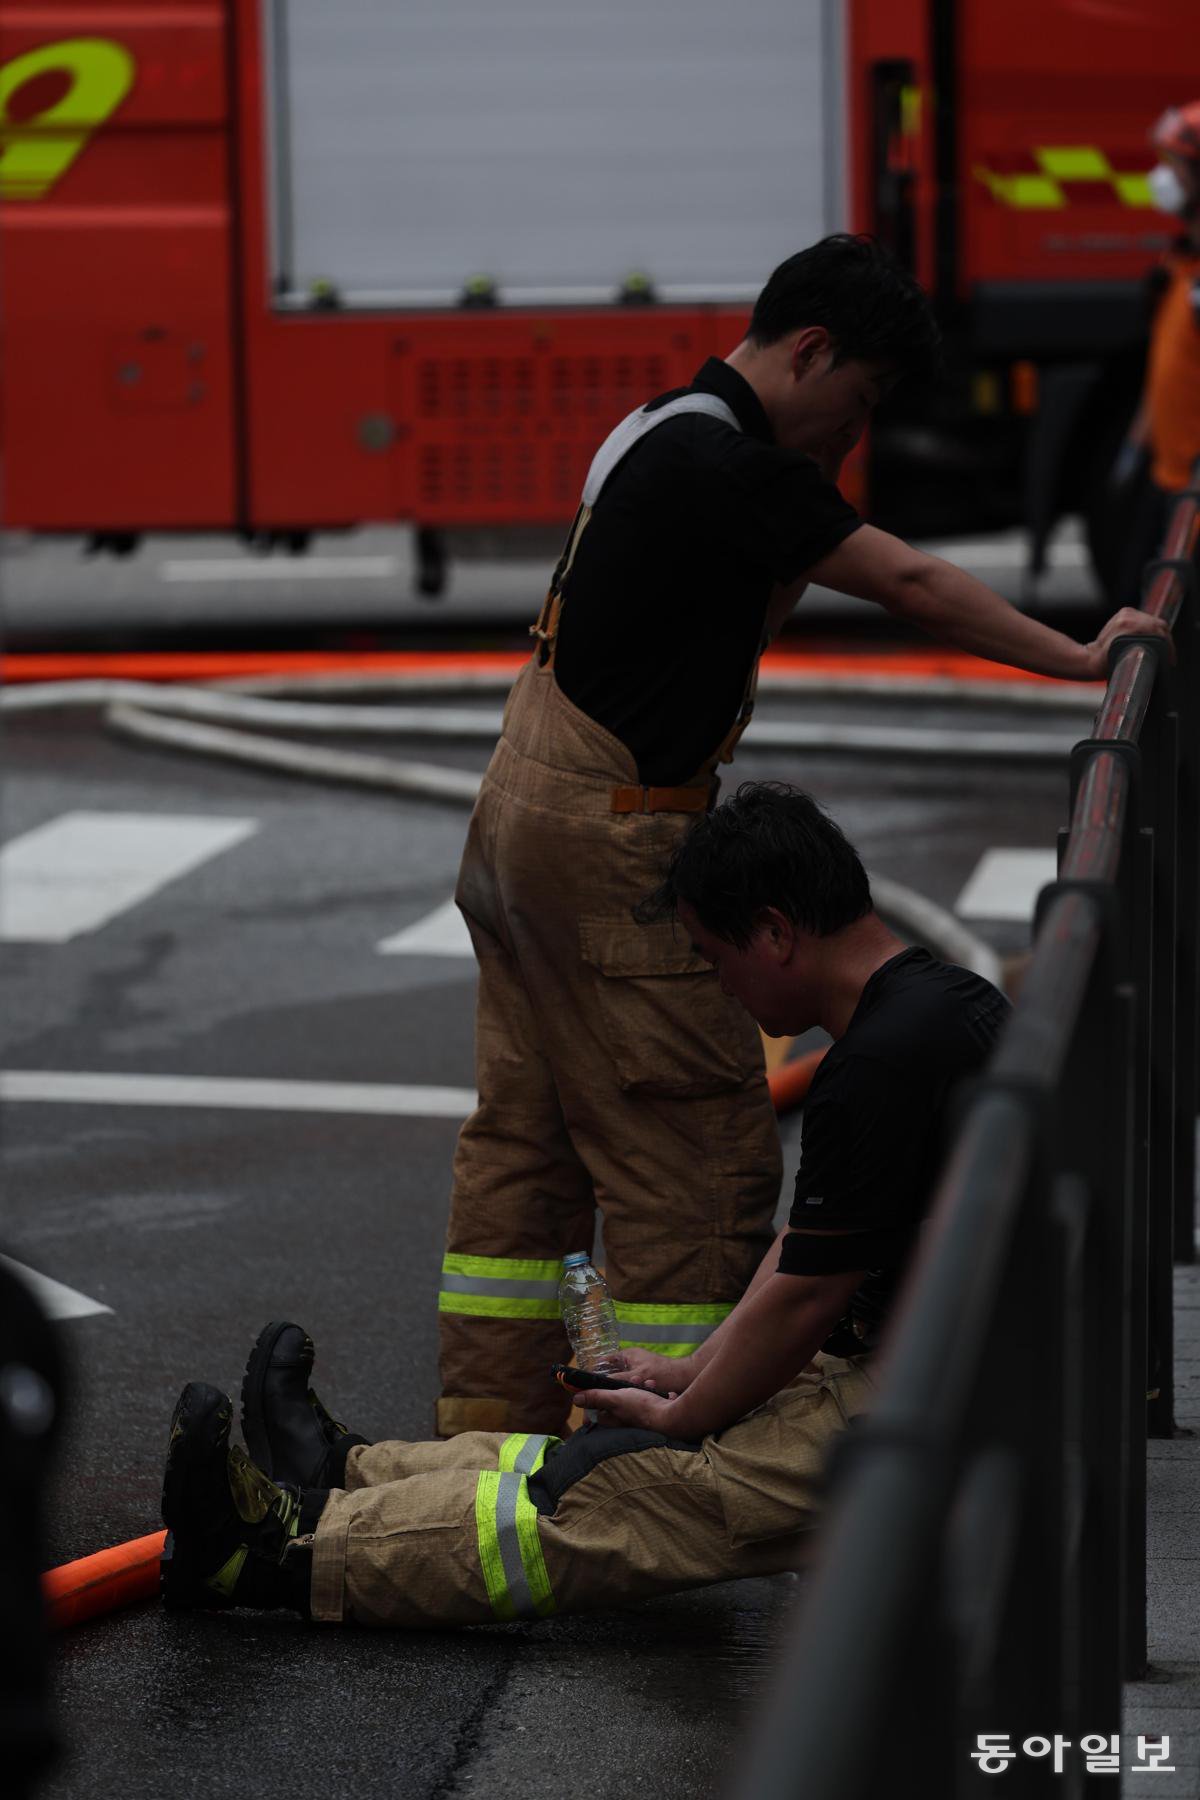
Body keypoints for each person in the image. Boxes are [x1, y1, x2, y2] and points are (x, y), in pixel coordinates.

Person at [436, 234, 1169, 1441]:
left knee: (529, 1152)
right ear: (812, 350)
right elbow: (914, 585)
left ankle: (488, 1439)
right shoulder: (735, 467)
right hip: (616, 846)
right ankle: (656, 1464)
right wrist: (1084, 657)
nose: (854, 436)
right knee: (698, 1162)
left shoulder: (650, 426)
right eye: (860, 400)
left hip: (516, 830)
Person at [160, 784, 1011, 1627]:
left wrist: (687, 1413)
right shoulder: (949, 1005)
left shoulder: (874, 1067)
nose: (723, 991)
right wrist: (686, 1375)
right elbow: (811, 1249)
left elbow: (809, 1293)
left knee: (624, 1491)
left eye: (717, 961)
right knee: (613, 1451)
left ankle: (277, 1550)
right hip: (938, 1367)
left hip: (943, 1403)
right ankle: (345, 1473)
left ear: (777, 933)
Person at [1113, 101, 1200, 596]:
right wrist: (1133, 451)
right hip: (1167, 480)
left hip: (1191, 492)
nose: (1163, 179)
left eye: (1176, 166)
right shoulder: (1179, 262)